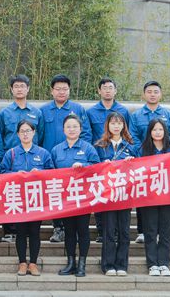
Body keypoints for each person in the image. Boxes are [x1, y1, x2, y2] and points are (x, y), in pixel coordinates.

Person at [40, 74, 91, 244]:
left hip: (75, 162)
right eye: (58, 89)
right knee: (55, 194)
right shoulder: (43, 110)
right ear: (52, 91)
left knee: (74, 195)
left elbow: (87, 134)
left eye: (65, 89)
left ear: (69, 90)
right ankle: (58, 228)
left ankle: (73, 229)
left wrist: (82, 154)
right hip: (53, 160)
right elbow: (39, 135)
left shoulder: (78, 109)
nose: (61, 92)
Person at [0, 119, 54, 277]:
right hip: (18, 198)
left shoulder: (43, 153)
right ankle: (22, 263)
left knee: (35, 232)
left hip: (36, 198)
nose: (25, 134)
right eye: (22, 131)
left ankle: (33, 263)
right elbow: (2, 173)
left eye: (28, 131)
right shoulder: (11, 153)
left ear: (34, 133)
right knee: (21, 232)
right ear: (17, 134)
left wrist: (40, 173)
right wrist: (15, 174)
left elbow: (52, 173)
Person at [50, 114, 100, 277]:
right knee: (69, 231)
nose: (72, 129)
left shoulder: (88, 148)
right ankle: (71, 263)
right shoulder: (56, 150)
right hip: (65, 197)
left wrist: (84, 166)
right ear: (63, 130)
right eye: (68, 127)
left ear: (80, 129)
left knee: (83, 230)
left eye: (75, 126)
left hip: (83, 197)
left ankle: (82, 264)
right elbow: (50, 172)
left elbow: (97, 168)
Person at [129, 80, 170, 243]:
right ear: (144, 94)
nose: (152, 94)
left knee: (164, 194)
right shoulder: (136, 115)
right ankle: (143, 231)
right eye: (149, 92)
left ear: (160, 94)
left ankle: (165, 232)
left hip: (164, 161)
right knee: (143, 193)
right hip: (144, 160)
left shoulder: (168, 114)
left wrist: (163, 152)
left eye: (155, 92)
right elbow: (133, 136)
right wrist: (144, 151)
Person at [0, 75, 42, 242]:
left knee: (31, 195)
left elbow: (41, 136)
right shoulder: (4, 113)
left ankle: (29, 231)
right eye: (16, 86)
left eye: (23, 86)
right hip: (11, 160)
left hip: (33, 159)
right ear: (11, 89)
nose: (20, 89)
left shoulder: (37, 113)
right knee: (10, 195)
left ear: (28, 89)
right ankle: (10, 231)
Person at [94, 111, 137, 276]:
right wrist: (102, 165)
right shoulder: (100, 146)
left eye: (119, 123)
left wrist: (131, 163)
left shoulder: (131, 146)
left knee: (124, 231)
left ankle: (122, 265)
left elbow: (140, 168)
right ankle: (108, 265)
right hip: (107, 196)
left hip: (125, 195)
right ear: (107, 125)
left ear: (124, 125)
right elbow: (93, 169)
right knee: (109, 231)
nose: (116, 126)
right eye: (113, 123)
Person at [139, 118, 170, 277]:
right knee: (150, 231)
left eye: (160, 129)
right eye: (154, 129)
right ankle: (152, 264)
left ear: (165, 132)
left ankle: (164, 263)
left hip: (168, 197)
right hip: (148, 197)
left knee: (165, 231)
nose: (157, 132)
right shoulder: (142, 150)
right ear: (149, 132)